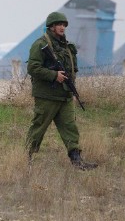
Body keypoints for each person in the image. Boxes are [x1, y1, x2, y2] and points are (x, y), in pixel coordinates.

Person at [25, 11, 97, 170]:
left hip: (64, 95)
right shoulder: (40, 45)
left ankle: (77, 161)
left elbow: (73, 69)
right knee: (38, 128)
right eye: (59, 24)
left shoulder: (68, 46)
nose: (62, 27)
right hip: (47, 96)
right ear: (51, 26)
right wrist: (53, 75)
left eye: (64, 24)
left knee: (70, 128)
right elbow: (33, 68)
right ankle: (25, 160)